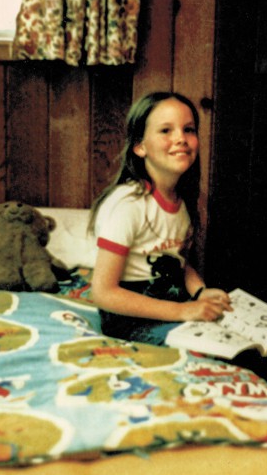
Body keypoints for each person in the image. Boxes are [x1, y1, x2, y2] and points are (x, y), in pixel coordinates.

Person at [89, 91, 231, 345]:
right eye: (166, 131)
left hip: (171, 304)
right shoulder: (127, 205)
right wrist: (182, 311)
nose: (181, 139)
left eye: (188, 130)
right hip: (131, 320)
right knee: (206, 349)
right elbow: (102, 292)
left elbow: (178, 262)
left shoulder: (181, 201)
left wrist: (200, 292)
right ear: (140, 146)